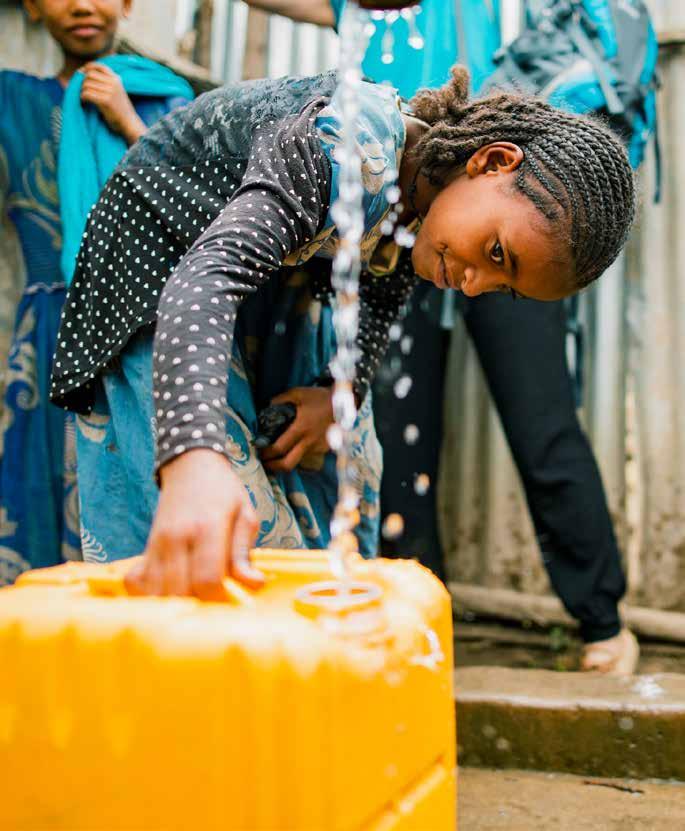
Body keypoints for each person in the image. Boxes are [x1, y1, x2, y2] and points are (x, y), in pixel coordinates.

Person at [49, 57, 635, 616]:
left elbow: (380, 291)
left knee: (344, 463)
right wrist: (192, 456)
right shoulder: (349, 148)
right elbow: (206, 278)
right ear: (491, 161)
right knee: (218, 527)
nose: (476, 285)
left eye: (504, 286)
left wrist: (337, 393)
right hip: (161, 287)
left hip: (269, 295)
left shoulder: (427, 212)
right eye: (497, 253)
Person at [245, 0, 640, 675]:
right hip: (401, 220)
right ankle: (415, 612)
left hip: (500, 220)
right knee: (400, 424)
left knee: (540, 419)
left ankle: (600, 619)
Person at [0, 0, 193, 586]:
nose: (83, 4)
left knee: (135, 491)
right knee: (38, 493)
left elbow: (196, 207)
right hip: (46, 337)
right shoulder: (12, 101)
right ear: (32, 8)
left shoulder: (169, 100)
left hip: (136, 330)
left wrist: (128, 123)